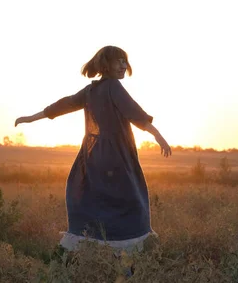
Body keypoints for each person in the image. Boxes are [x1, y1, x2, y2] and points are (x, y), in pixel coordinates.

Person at [14, 46, 171, 254]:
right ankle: (126, 251)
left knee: (92, 199)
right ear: (106, 65)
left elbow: (64, 104)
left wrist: (31, 118)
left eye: (125, 61)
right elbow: (134, 112)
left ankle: (93, 245)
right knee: (131, 201)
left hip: (93, 156)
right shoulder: (113, 86)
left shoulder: (90, 91)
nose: (124, 66)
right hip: (117, 155)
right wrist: (157, 135)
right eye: (119, 61)